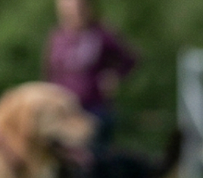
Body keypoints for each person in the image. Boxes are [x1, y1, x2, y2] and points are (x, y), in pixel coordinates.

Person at [44, 0, 136, 147]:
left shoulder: (101, 35)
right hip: (65, 113)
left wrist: (115, 75)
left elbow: (130, 58)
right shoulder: (58, 36)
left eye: (76, 9)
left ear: (87, 8)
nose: (72, 14)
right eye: (67, 10)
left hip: (95, 109)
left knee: (96, 160)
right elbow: (50, 72)